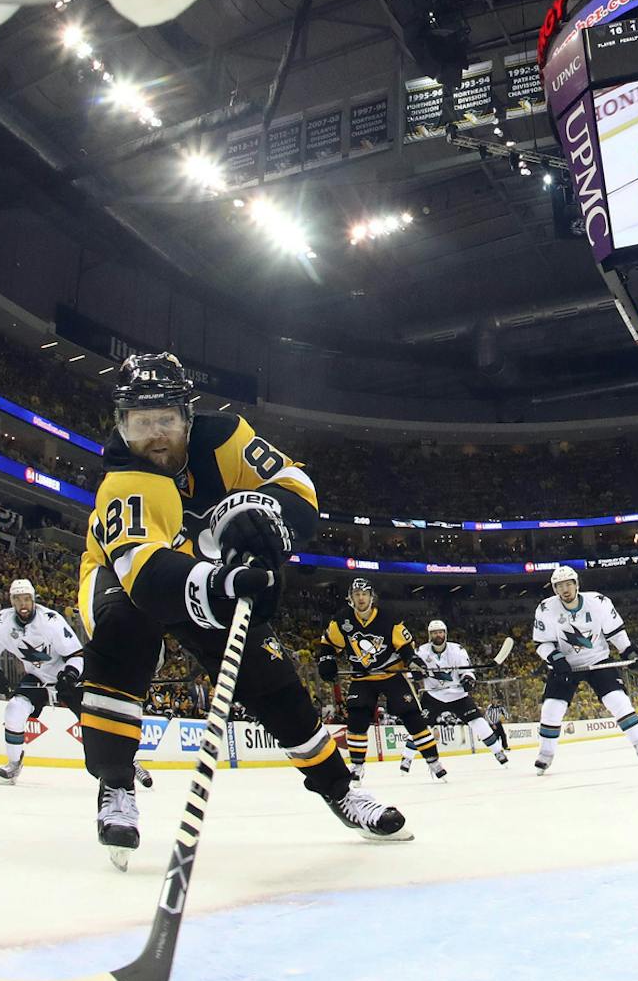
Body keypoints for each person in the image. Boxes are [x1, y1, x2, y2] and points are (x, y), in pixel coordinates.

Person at [76, 353, 406, 866]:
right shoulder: (123, 478)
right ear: (122, 425)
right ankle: (116, 784)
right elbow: (147, 577)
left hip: (201, 572)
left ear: (188, 416)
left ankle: (339, 789)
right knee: (124, 632)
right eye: (141, 423)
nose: (155, 435)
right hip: (124, 579)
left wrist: (269, 520)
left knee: (269, 677)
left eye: (165, 419)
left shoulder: (226, 437)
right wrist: (227, 578)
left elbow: (297, 487)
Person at [530, 566, 638, 773]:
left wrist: (630, 652)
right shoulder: (545, 609)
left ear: (577, 584)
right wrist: (555, 658)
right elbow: (542, 643)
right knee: (552, 708)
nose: (565, 589)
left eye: (569, 584)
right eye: (560, 586)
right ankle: (545, 754)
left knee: (617, 700)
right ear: (554, 589)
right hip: (566, 666)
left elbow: (615, 632)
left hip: (598, 660)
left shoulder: (598, 602)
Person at [321, 579, 445, 781]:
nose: (361, 598)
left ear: (371, 597)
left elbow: (405, 647)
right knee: (356, 718)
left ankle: (433, 761)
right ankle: (357, 767)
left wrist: (413, 661)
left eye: (364, 594)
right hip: (362, 676)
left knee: (412, 715)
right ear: (351, 598)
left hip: (391, 673)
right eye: (357, 594)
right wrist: (326, 661)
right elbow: (328, 644)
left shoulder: (388, 618)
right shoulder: (341, 619)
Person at [0, 578, 81, 785]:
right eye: (18, 599)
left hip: (67, 676)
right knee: (14, 709)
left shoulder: (51, 621)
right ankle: (14, 763)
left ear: (33, 600)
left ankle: (126, 761)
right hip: (37, 677)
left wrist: (69, 676)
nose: (23, 604)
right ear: (11, 601)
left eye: (26, 599)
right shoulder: (1, 623)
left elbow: (77, 655)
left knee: (93, 722)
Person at [403, 618, 508, 768]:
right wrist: (415, 675)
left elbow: (467, 671)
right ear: (429, 635)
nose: (438, 635)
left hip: (457, 694)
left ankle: (498, 751)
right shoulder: (421, 651)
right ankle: (407, 758)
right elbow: (411, 673)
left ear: (445, 634)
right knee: (419, 726)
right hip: (433, 695)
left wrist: (468, 679)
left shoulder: (457, 650)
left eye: (440, 632)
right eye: (434, 633)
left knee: (478, 722)